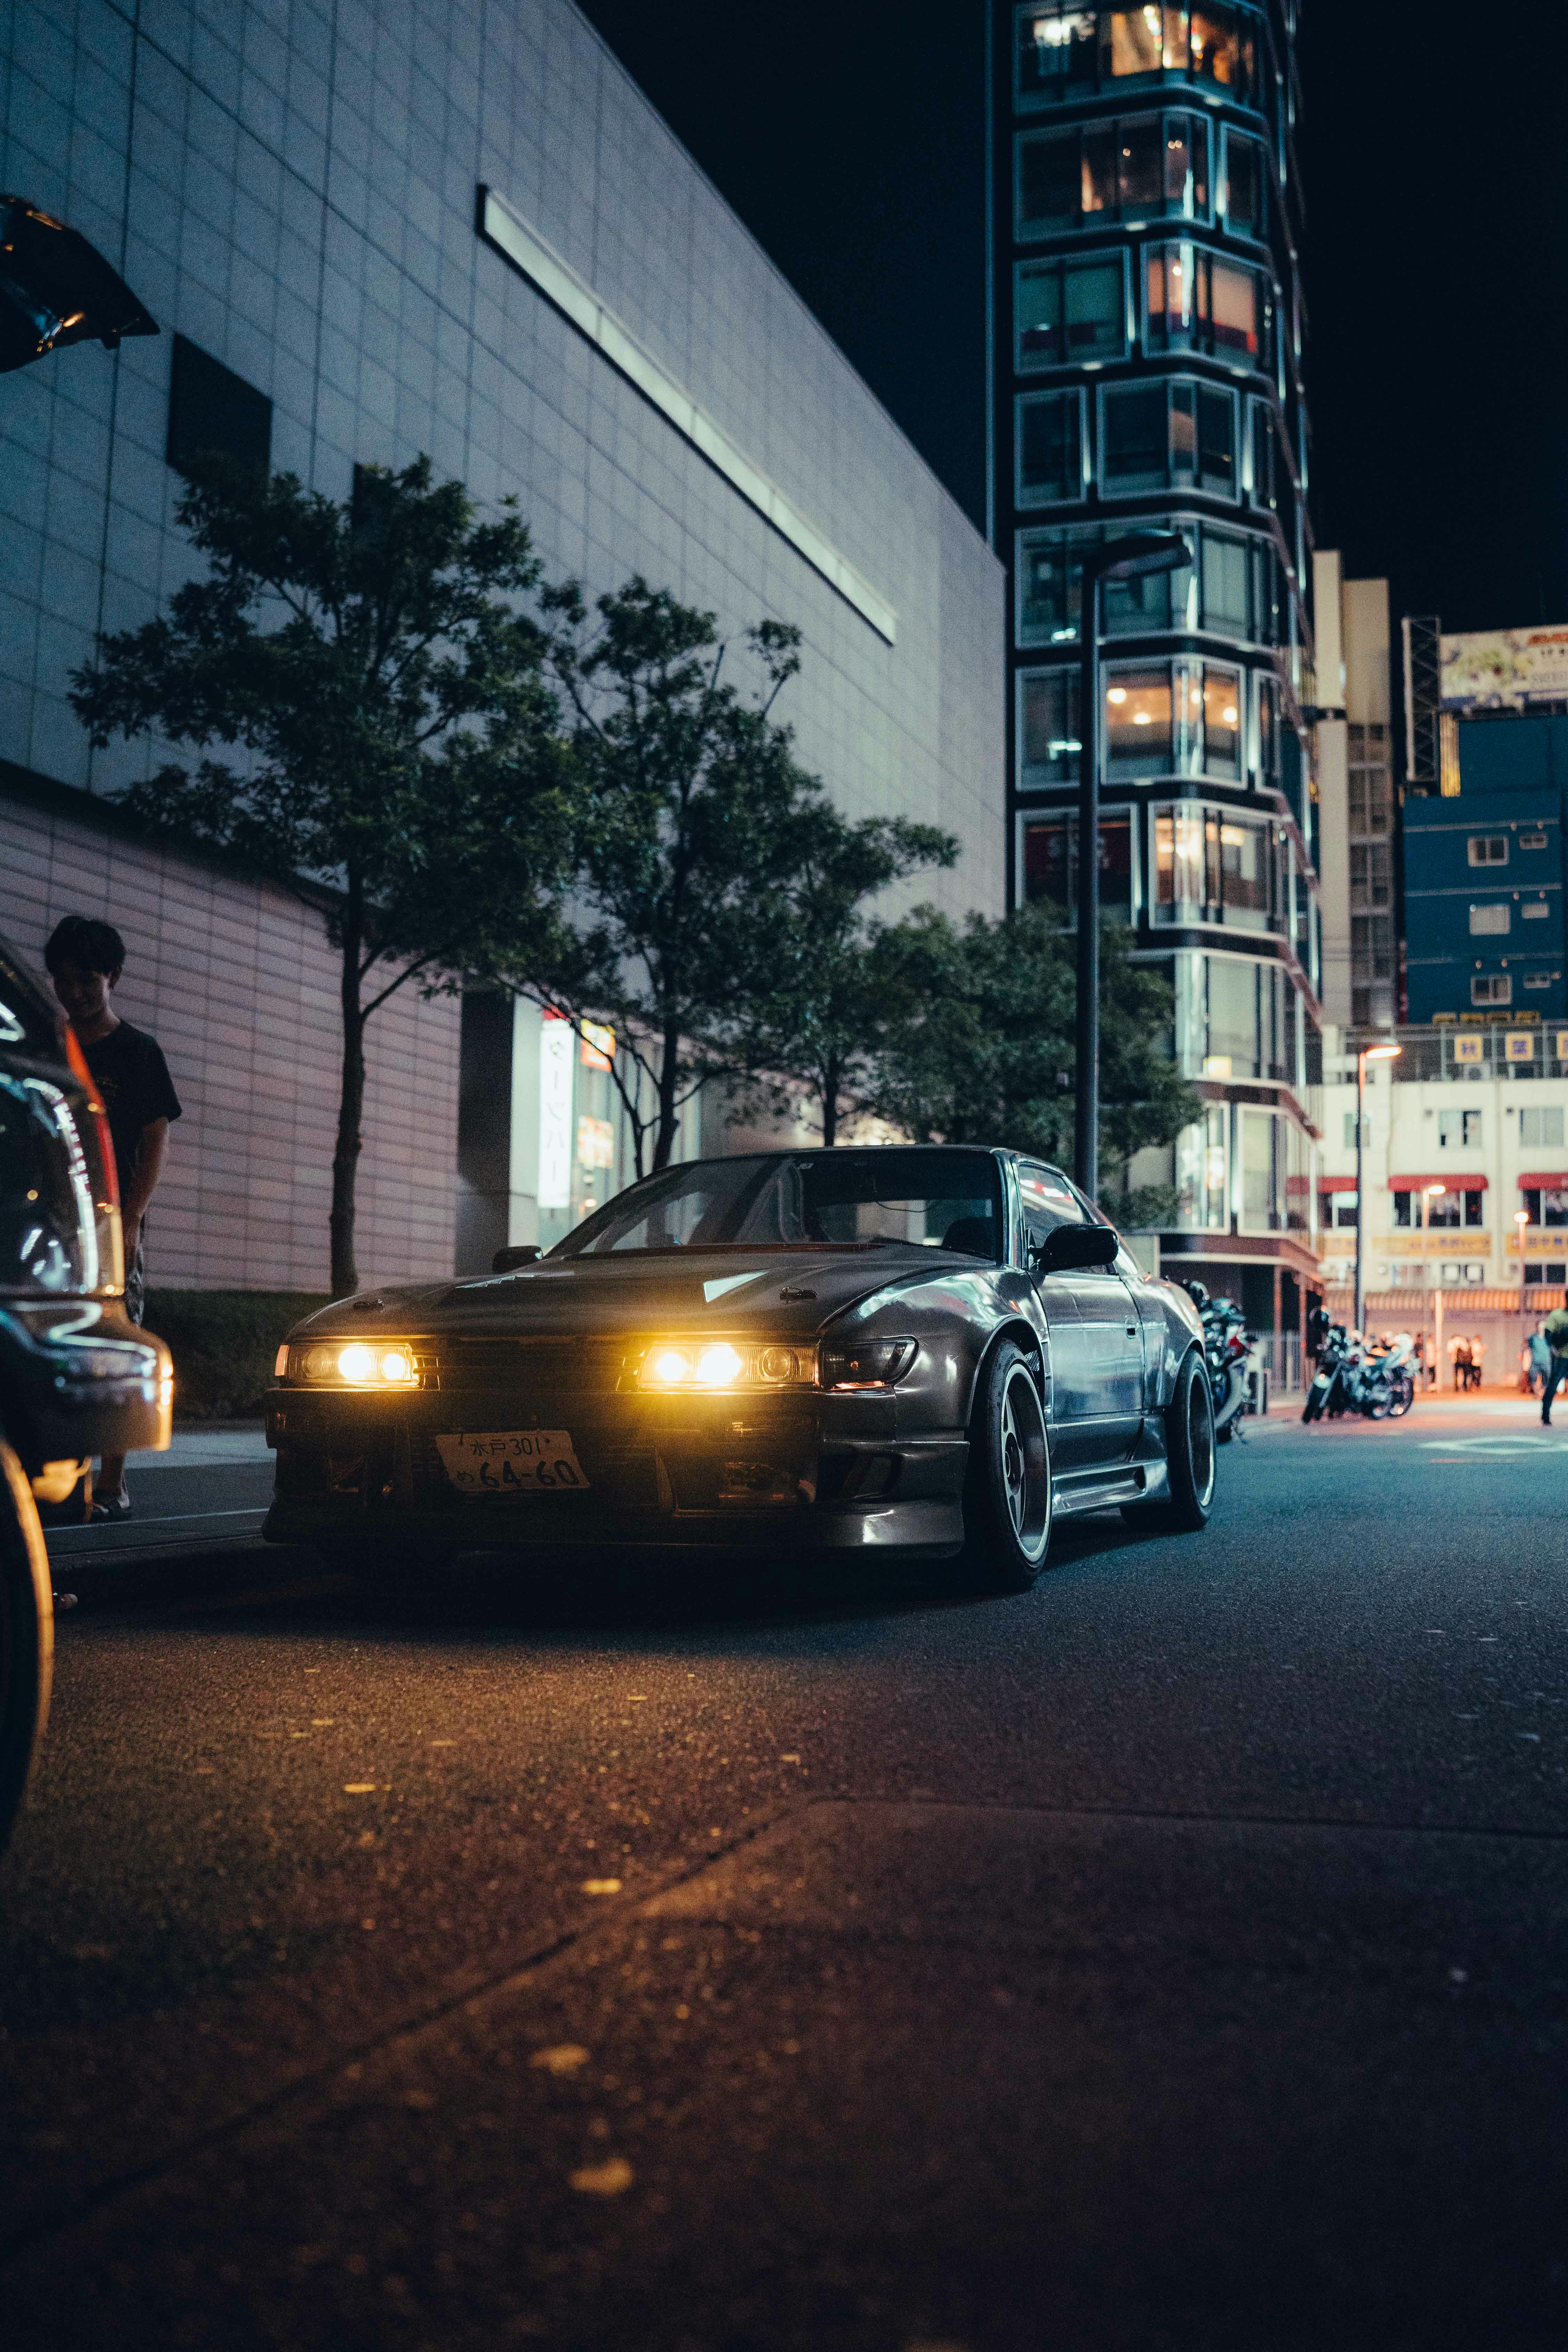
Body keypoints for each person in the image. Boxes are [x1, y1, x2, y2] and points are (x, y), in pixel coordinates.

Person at [44, 915, 182, 1520]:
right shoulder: (46, 1043)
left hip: (111, 1222)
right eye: (64, 980)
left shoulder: (137, 1051)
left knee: (116, 1340)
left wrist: (129, 1220)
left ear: (113, 977)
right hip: (47, 1223)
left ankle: (112, 1484)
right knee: (57, 1344)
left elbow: (155, 1138)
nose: (74, 992)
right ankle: (61, 1483)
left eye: (87, 979)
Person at [1542, 1305, 1568, 1426]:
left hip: (1561, 1357)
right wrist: (1553, 1349)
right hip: (1561, 1357)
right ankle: (1546, 1414)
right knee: (1553, 1386)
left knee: (1553, 1385)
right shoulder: (1557, 1316)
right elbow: (1548, 1334)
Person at [1527, 1323, 1551, 1398]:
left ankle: (1544, 1393)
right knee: (1532, 1376)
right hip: (1535, 1362)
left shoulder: (1548, 1338)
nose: (1541, 1327)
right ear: (1537, 1327)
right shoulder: (1533, 1338)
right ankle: (1537, 1393)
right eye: (1540, 1326)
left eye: (1543, 1326)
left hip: (1546, 1362)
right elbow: (1529, 1348)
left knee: (1547, 1378)